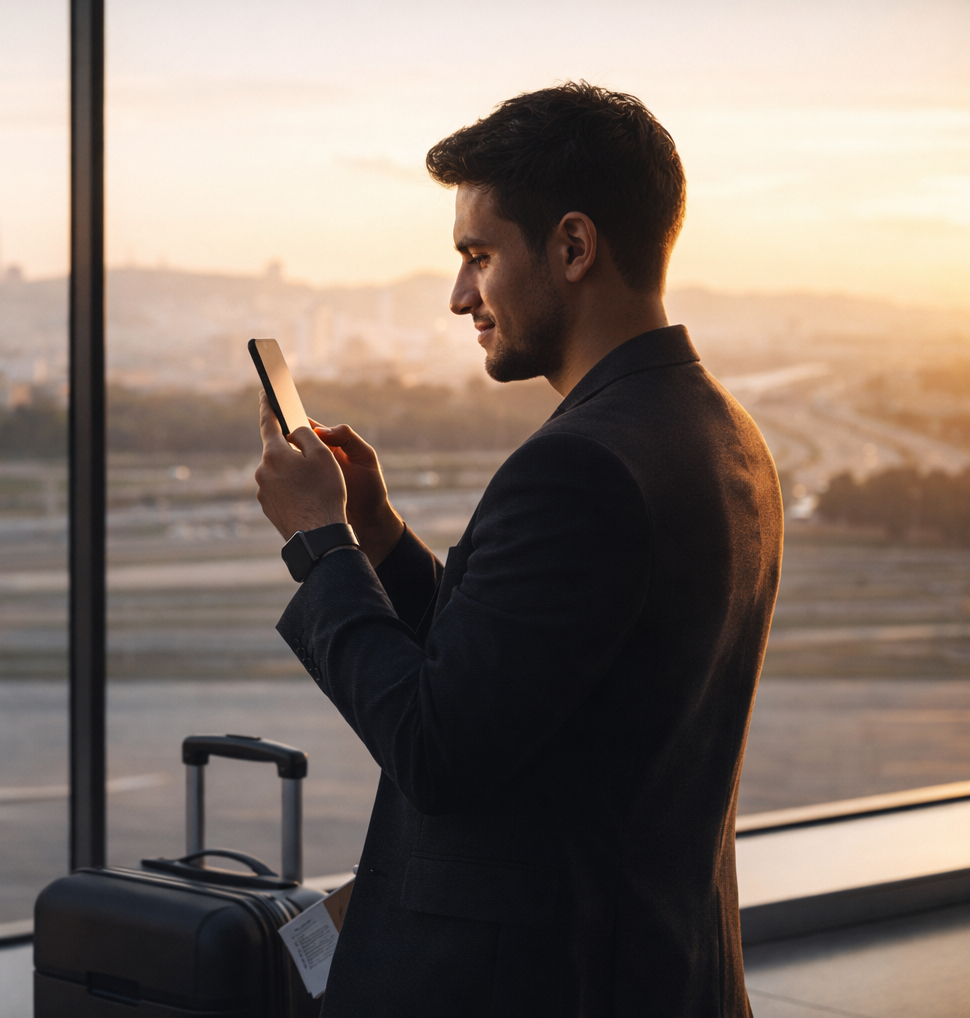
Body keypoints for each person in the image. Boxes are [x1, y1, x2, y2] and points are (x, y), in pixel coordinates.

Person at [254, 82, 782, 1017]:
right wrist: (378, 540)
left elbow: (439, 748)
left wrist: (319, 544)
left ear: (574, 247)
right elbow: (523, 676)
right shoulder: (720, 430)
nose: (460, 296)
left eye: (478, 255)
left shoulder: (578, 466)